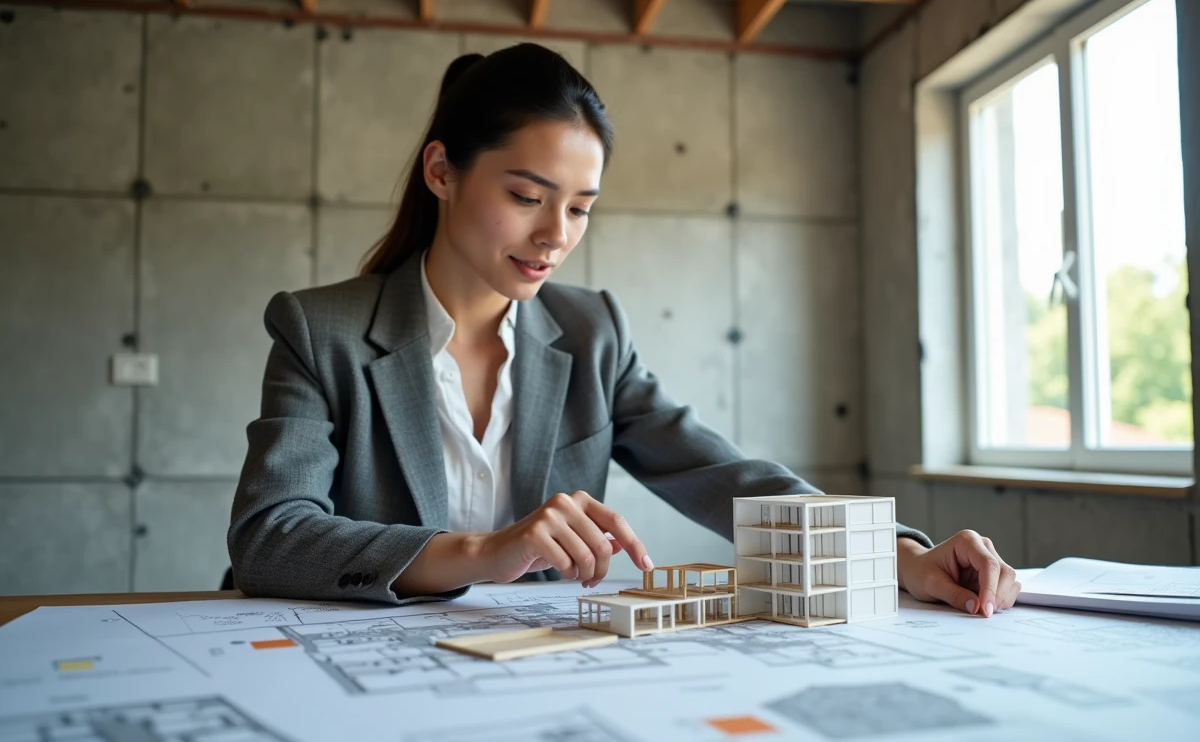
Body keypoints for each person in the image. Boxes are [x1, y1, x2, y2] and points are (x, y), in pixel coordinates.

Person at [228, 43, 1019, 618]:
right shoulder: (319, 327)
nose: (555, 234)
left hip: (520, 666)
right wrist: (484, 552)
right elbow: (270, 536)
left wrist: (901, 554)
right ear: (442, 171)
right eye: (528, 195)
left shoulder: (590, 331)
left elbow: (724, 475)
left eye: (579, 207)